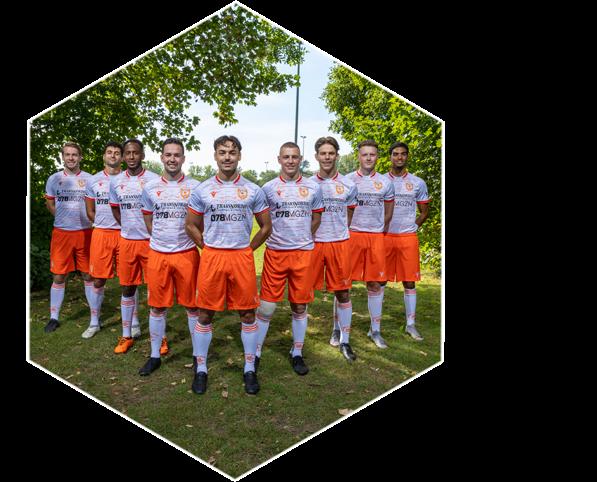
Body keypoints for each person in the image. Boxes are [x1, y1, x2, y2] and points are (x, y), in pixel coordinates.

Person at [185, 135, 271, 395]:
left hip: (241, 257)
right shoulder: (202, 189)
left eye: (232, 152)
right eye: (222, 152)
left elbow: (266, 226)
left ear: (239, 156)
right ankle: (201, 369)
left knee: (247, 314)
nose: (227, 157)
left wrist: (248, 250)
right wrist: (206, 247)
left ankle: (249, 369)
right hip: (213, 257)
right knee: (204, 314)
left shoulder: (253, 189)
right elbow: (190, 225)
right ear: (215, 156)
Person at [256, 142, 324, 376]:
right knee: (266, 307)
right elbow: (262, 221)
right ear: (279, 159)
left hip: (303, 254)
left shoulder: (313, 187)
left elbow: (316, 218)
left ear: (300, 159)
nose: (291, 161)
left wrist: (303, 238)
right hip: (276, 253)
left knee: (299, 305)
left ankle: (297, 352)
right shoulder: (268, 188)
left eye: (295, 157)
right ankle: (255, 352)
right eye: (286, 157)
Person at [137, 138, 201, 376]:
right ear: (162, 157)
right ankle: (154, 355)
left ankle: (197, 354)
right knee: (156, 307)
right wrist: (161, 240)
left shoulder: (195, 187)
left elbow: (199, 222)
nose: (172, 159)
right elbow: (148, 220)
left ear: (183, 158)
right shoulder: (150, 187)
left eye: (177, 155)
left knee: (192, 307)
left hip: (186, 254)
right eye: (168, 155)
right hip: (158, 255)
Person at [109, 139, 161, 354]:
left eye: (135, 153)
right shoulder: (116, 181)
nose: (131, 156)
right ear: (123, 156)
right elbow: (115, 209)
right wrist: (128, 227)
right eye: (127, 153)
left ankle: (161, 337)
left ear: (142, 155)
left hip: (151, 243)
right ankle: (126, 335)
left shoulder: (154, 180)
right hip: (127, 242)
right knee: (128, 287)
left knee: (156, 291)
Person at [309, 137, 358, 362]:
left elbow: (350, 213)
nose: (327, 157)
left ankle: (344, 340)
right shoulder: (308, 184)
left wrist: (338, 231)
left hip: (339, 243)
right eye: (323, 153)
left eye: (331, 153)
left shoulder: (348, 184)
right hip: (314, 244)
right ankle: (298, 346)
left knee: (343, 292)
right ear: (317, 156)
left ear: (337, 155)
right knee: (302, 294)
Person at [346, 140, 395, 348]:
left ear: (377, 157)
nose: (368, 158)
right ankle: (338, 330)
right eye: (364, 154)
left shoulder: (385, 182)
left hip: (375, 237)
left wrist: (379, 229)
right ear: (358, 156)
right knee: (343, 285)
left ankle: (375, 330)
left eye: (372, 154)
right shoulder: (347, 180)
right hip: (352, 236)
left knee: (375, 284)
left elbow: (389, 212)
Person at [44, 142, 94, 333]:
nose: (71, 158)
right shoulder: (54, 178)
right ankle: (54, 318)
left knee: (88, 274)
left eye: (74, 154)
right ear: (63, 157)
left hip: (85, 232)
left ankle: (94, 317)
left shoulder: (90, 179)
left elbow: (95, 205)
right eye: (67, 154)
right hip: (62, 233)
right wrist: (61, 218)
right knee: (59, 275)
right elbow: (50, 203)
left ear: (80, 157)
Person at [384, 142, 430, 340]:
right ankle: (375, 326)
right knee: (379, 281)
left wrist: (414, 227)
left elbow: (424, 211)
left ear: (407, 156)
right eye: (395, 154)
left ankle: (411, 325)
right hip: (385, 237)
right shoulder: (381, 181)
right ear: (390, 157)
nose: (399, 157)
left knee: (409, 281)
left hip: (407, 237)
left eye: (403, 154)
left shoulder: (417, 182)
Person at [81, 142, 123, 338]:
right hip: (101, 234)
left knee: (128, 280)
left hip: (124, 234)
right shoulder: (93, 180)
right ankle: (94, 322)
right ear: (104, 156)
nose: (113, 156)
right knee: (98, 280)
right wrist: (99, 222)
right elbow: (90, 210)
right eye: (109, 152)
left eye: (117, 153)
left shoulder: (128, 180)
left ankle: (133, 322)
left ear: (121, 157)